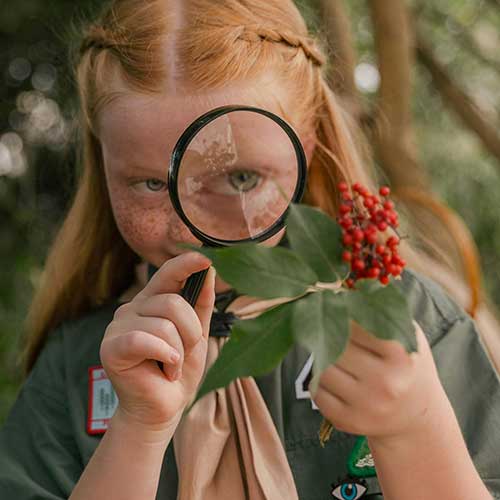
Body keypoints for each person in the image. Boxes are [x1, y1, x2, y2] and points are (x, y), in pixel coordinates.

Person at [1, 0, 499, 499]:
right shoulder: (76, 368)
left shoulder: (403, 325)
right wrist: (136, 433)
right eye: (151, 184)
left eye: (240, 178)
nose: (192, 229)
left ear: (305, 148)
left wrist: (416, 427)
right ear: (103, 164)